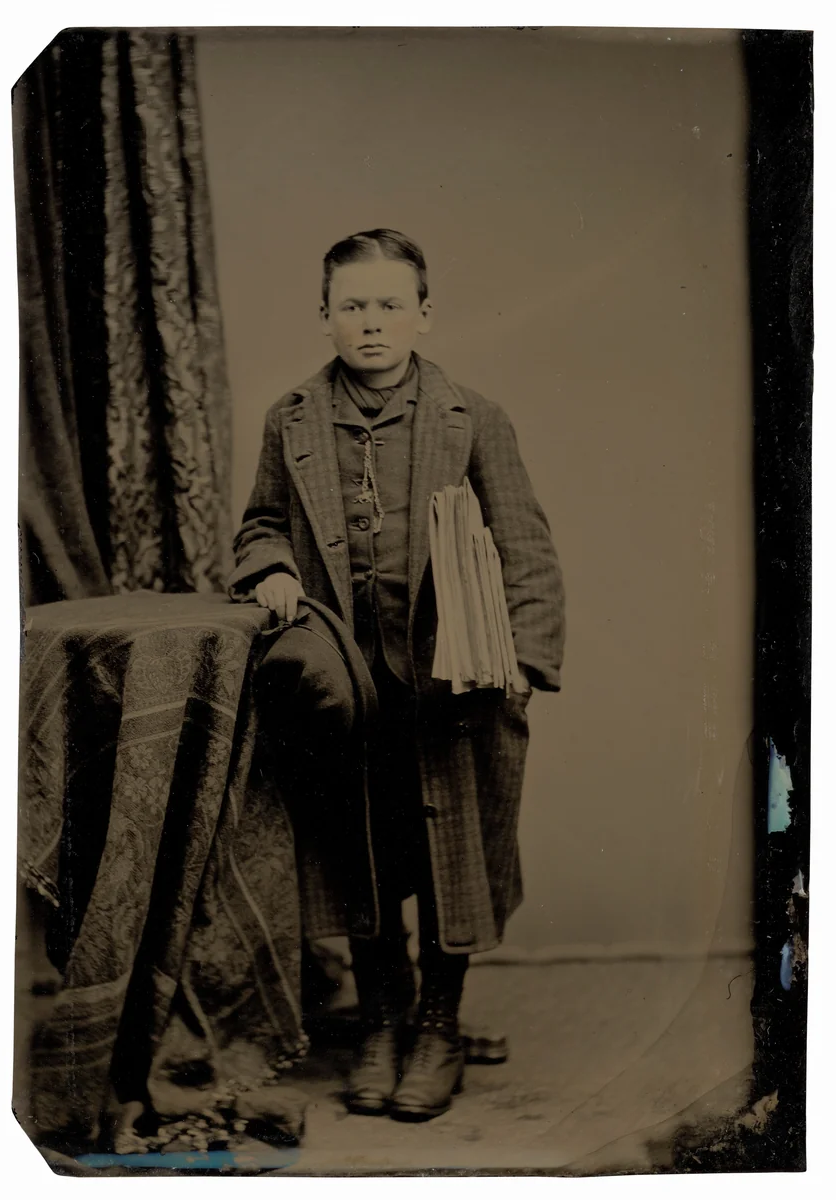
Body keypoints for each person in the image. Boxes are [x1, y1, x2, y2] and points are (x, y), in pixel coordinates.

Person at [228, 229, 565, 1122]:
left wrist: (522, 663)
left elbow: (526, 544)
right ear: (325, 316)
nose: (370, 323)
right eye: (351, 306)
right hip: (348, 686)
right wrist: (269, 569)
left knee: (448, 857)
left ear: (423, 312)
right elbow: (259, 523)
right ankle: (379, 1022)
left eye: (388, 305)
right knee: (362, 853)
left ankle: (438, 1024)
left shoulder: (472, 417)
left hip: (452, 685)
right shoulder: (293, 417)